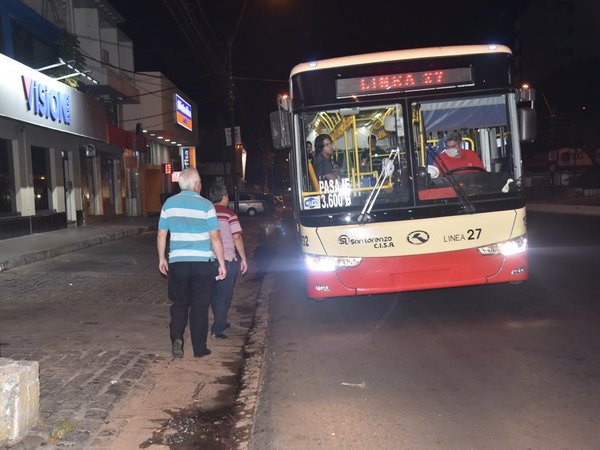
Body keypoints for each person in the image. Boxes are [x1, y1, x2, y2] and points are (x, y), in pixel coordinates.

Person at [157, 168, 226, 359]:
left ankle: (177, 338)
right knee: (200, 305)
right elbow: (215, 236)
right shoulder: (206, 206)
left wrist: (162, 258)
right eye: (200, 182)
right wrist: (221, 263)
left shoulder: (169, 204)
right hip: (202, 263)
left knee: (179, 303)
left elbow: (162, 233)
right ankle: (199, 348)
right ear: (196, 185)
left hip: (178, 262)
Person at [208, 181, 248, 339]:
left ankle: (221, 320)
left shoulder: (206, 213)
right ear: (224, 197)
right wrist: (243, 258)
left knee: (214, 293)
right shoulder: (229, 214)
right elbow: (236, 237)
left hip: (208, 260)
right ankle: (217, 328)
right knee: (225, 294)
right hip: (227, 259)